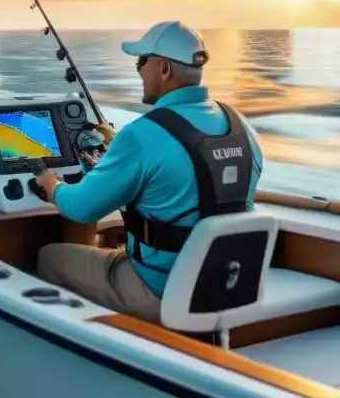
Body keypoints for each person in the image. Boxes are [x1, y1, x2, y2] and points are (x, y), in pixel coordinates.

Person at [33, 20, 264, 324]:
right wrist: (118, 151)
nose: (139, 70)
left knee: (48, 257)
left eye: (142, 62)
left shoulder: (142, 135)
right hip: (228, 282)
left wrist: (51, 184)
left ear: (164, 69)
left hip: (162, 290)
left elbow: (81, 208)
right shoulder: (242, 125)